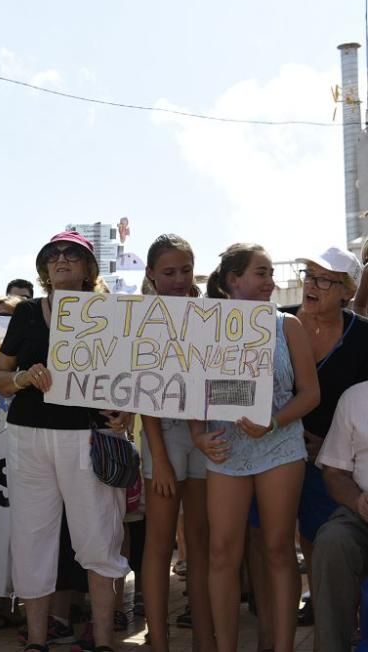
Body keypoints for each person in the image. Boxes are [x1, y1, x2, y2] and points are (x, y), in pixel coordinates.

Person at [0, 230, 130, 652]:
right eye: (54, 254)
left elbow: (135, 379)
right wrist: (22, 378)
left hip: (88, 438)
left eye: (73, 253)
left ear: (89, 268)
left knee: (98, 538)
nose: (62, 259)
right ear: (44, 267)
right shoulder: (28, 313)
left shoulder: (113, 312)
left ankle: (103, 640)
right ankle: (37, 640)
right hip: (29, 435)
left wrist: (128, 410)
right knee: (33, 537)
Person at [194, 243, 319, 652]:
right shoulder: (205, 326)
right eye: (261, 273)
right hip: (225, 451)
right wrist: (198, 434)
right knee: (221, 554)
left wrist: (275, 423)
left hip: (280, 447)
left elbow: (310, 394)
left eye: (270, 273)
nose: (271, 282)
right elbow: (190, 390)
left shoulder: (289, 327)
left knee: (279, 550)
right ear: (234, 280)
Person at [136, 235, 215, 652]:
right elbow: (143, 392)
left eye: (186, 270)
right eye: (169, 272)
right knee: (159, 542)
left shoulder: (210, 315)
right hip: (161, 434)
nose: (179, 279)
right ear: (150, 274)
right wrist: (161, 459)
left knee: (199, 540)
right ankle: (159, 640)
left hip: (205, 433)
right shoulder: (141, 317)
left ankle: (205, 639)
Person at [284, 246, 368, 630]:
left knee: (322, 535)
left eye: (324, 279)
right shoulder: (278, 324)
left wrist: (333, 447)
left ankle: (333, 610)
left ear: (348, 291)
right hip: (277, 453)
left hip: (333, 462)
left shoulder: (363, 337)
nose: (312, 285)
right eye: (309, 276)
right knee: (275, 539)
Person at [311, 380, 368, 650]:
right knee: (332, 541)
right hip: (362, 514)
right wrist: (358, 501)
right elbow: (334, 472)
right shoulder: (355, 397)